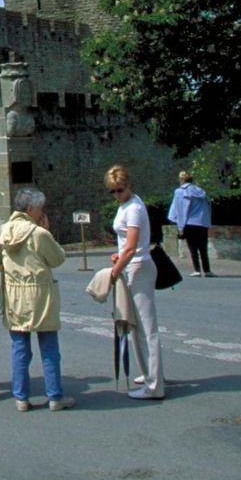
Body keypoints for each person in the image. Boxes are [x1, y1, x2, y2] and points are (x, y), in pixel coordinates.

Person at [0, 187, 73, 412]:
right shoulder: (39, 234)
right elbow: (57, 259)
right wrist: (47, 232)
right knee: (49, 348)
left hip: (14, 295)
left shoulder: (2, 232)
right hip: (41, 294)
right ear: (32, 208)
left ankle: (21, 398)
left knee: (19, 348)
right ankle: (55, 396)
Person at [107, 165, 164, 400]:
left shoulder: (134, 209)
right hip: (132, 265)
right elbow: (126, 245)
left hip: (138, 268)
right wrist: (119, 258)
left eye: (120, 189)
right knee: (136, 326)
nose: (117, 195)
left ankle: (155, 385)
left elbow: (131, 247)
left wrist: (114, 271)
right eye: (113, 191)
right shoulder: (127, 205)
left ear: (129, 185)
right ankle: (149, 373)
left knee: (146, 327)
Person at [168, 171, 214, 276]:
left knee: (193, 247)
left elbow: (180, 209)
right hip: (202, 222)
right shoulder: (200, 191)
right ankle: (207, 270)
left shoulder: (180, 191)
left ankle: (197, 270)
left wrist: (179, 225)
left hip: (189, 223)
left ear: (182, 180)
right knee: (203, 248)